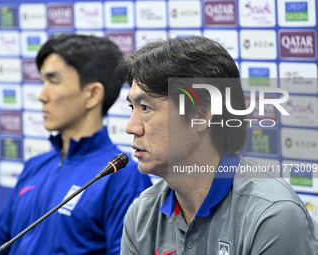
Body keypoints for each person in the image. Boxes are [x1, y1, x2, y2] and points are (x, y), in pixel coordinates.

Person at [117, 36, 318, 254]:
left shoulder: (272, 215)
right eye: (132, 107)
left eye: (145, 107)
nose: (131, 127)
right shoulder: (142, 214)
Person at [0, 34, 152, 255]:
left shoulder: (123, 176)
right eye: (43, 82)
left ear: (92, 94)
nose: (42, 95)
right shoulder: (35, 166)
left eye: (53, 81)